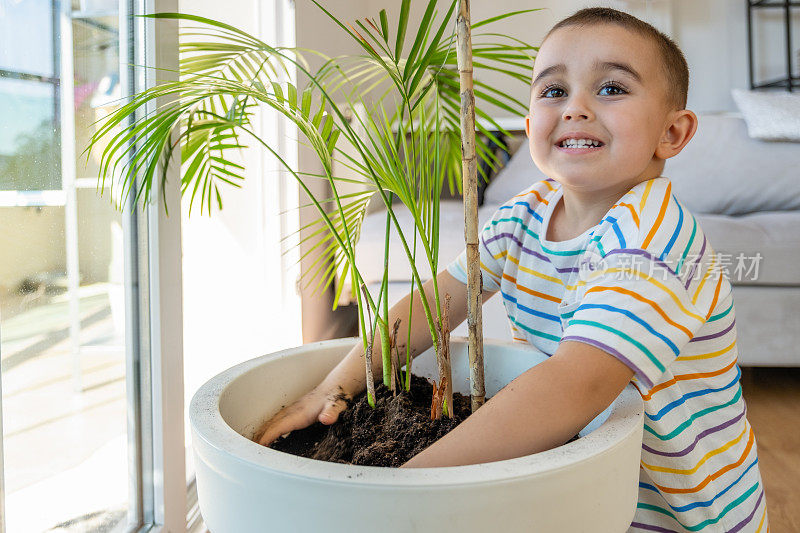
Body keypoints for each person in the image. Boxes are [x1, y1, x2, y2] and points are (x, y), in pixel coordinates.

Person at [258, 7, 768, 532]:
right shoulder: (525, 214)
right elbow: (434, 305)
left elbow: (574, 386)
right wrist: (334, 388)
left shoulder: (656, 244)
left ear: (673, 133)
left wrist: (404, 489)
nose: (576, 108)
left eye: (612, 88)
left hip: (678, 510)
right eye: (553, 92)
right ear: (530, 128)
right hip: (584, 483)